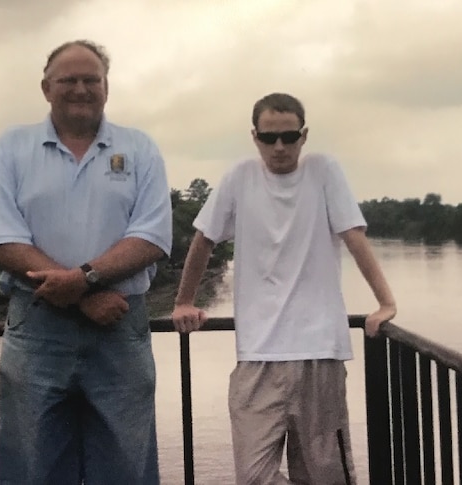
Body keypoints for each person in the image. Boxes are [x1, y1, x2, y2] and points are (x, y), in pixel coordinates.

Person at [171, 92, 396, 485]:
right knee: (254, 476)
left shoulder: (324, 171)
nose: (279, 147)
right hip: (257, 355)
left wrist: (385, 302)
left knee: (327, 475)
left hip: (319, 351)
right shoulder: (239, 177)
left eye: (289, 137)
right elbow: (204, 239)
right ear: (254, 136)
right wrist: (184, 301)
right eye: (269, 137)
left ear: (303, 136)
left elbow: (353, 236)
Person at [0, 39, 172, 485]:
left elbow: (153, 237)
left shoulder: (140, 148)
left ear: (107, 88)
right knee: (31, 465)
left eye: (91, 80)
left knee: (127, 465)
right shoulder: (11, 147)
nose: (80, 89)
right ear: (46, 88)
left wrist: (82, 280)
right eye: (68, 80)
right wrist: (82, 296)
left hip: (119, 327)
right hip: (38, 328)